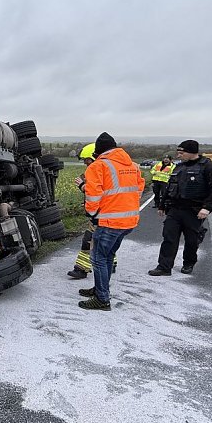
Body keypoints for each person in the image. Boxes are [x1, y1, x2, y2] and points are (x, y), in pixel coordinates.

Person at [78, 132, 144, 310]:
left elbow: (93, 195)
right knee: (107, 256)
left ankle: (102, 299)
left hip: (109, 222)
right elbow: (138, 189)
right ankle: (100, 288)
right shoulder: (133, 165)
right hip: (128, 221)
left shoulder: (98, 166)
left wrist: (92, 213)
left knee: (98, 258)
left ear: (98, 151)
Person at [148, 139, 212, 276]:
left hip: (194, 211)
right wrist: (162, 205)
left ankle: (188, 263)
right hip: (175, 209)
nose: (178, 155)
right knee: (169, 237)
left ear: (191, 152)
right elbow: (169, 186)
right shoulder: (179, 167)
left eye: (181, 152)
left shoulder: (208, 167)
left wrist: (207, 208)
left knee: (191, 240)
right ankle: (164, 267)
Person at [66, 143, 97, 280]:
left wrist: (82, 186)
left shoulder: (98, 172)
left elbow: (95, 192)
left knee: (88, 240)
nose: (86, 164)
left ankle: (81, 269)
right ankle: (112, 263)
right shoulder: (103, 171)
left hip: (100, 214)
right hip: (105, 214)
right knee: (106, 240)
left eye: (87, 161)